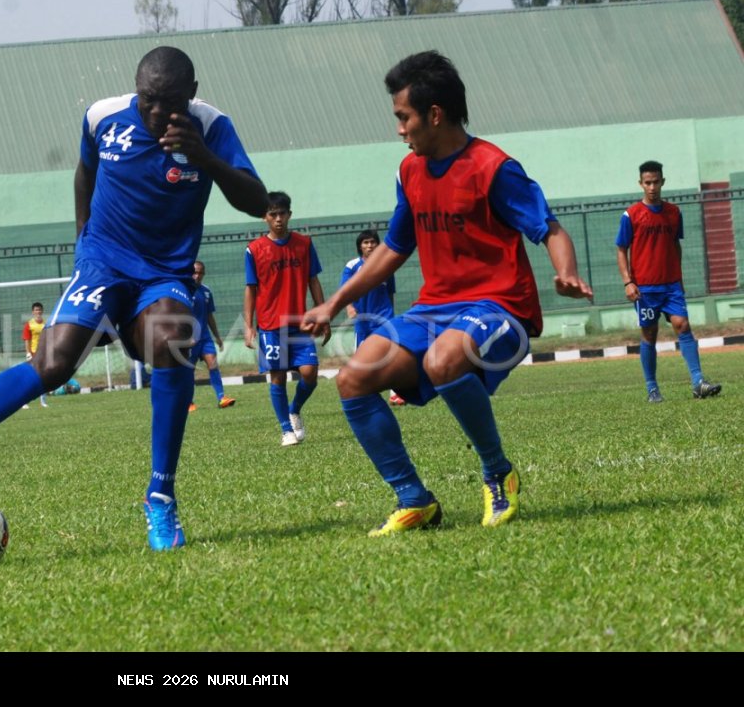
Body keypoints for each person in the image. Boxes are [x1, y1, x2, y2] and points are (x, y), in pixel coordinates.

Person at [0, 46, 268, 551]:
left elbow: (258, 200)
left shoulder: (212, 126)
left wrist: (203, 157)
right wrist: (82, 239)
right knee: (55, 362)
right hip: (103, 263)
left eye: (169, 102)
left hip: (163, 274)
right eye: (148, 100)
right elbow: (84, 172)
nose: (157, 112)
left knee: (174, 337)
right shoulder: (102, 117)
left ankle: (161, 498)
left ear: (191, 95)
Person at [301, 51, 593, 535]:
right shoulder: (410, 172)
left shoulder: (494, 168)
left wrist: (566, 271)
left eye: (404, 117)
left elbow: (551, 229)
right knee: (353, 378)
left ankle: (498, 473)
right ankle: (415, 500)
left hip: (503, 307)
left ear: (434, 114)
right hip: (435, 308)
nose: (399, 129)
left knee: (443, 360)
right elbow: (395, 246)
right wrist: (332, 303)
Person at [616, 160, 722, 403]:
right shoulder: (631, 215)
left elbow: (675, 245)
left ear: (663, 182)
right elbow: (621, 249)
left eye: (656, 182)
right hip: (644, 288)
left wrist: (680, 278)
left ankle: (698, 383)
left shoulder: (674, 213)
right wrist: (627, 282)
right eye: (647, 182)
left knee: (683, 325)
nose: (652, 187)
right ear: (640, 184)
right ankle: (652, 389)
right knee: (649, 334)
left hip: (671, 284)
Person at [244, 191, 328, 447]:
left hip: (300, 323)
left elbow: (313, 280)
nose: (278, 219)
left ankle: (294, 410)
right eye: (273, 214)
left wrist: (322, 314)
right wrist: (249, 325)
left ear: (289, 214)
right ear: (264, 217)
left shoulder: (304, 243)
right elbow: (251, 288)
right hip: (270, 324)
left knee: (310, 373)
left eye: (282, 213)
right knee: (277, 376)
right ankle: (285, 430)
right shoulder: (254, 249)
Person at [341, 229, 404, 406]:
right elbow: (344, 290)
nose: (370, 245)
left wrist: (391, 313)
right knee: (361, 358)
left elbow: (390, 292)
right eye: (366, 243)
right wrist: (350, 307)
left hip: (384, 317)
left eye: (373, 242)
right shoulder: (352, 266)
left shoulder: (386, 264)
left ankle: (396, 393)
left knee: (391, 355)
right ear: (360, 246)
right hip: (363, 319)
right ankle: (362, 392)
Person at [187, 260, 236, 412]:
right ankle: (188, 402)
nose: (197, 275)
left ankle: (222, 398)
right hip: (188, 340)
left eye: (200, 272)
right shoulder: (183, 290)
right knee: (188, 371)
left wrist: (217, 336)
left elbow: (209, 316)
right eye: (195, 272)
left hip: (205, 338)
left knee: (213, 364)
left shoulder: (206, 291)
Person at [20, 302, 49, 409]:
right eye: (36, 310)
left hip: (43, 353)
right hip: (32, 353)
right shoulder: (29, 324)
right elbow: (27, 340)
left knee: (43, 377)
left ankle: (43, 401)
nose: (38, 312)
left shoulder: (46, 324)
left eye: (40, 310)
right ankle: (24, 401)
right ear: (33, 312)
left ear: (42, 311)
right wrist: (28, 353)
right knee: (29, 378)